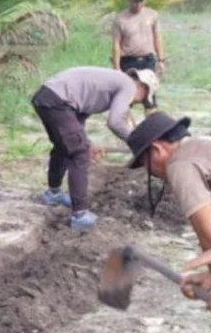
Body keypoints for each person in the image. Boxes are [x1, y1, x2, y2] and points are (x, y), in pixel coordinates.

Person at [32, 66, 159, 229]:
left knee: (64, 146)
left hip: (47, 97)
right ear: (142, 86)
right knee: (79, 154)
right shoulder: (128, 85)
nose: (137, 102)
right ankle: (80, 214)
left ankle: (54, 194)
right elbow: (115, 122)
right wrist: (138, 141)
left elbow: (77, 121)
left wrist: (88, 142)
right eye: (142, 99)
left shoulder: (109, 84)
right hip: (58, 101)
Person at [126, 112, 211, 318]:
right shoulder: (206, 147)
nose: (151, 173)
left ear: (157, 149)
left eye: (146, 165)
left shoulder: (180, 164)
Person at [112, 0, 166, 110]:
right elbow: (116, 44)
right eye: (135, 1)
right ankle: (126, 129)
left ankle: (152, 128)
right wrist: (117, 67)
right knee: (126, 99)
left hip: (147, 60)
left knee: (150, 99)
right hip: (128, 61)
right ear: (129, 0)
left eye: (141, 1)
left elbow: (157, 38)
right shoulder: (120, 19)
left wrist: (161, 60)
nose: (138, 4)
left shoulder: (152, 15)